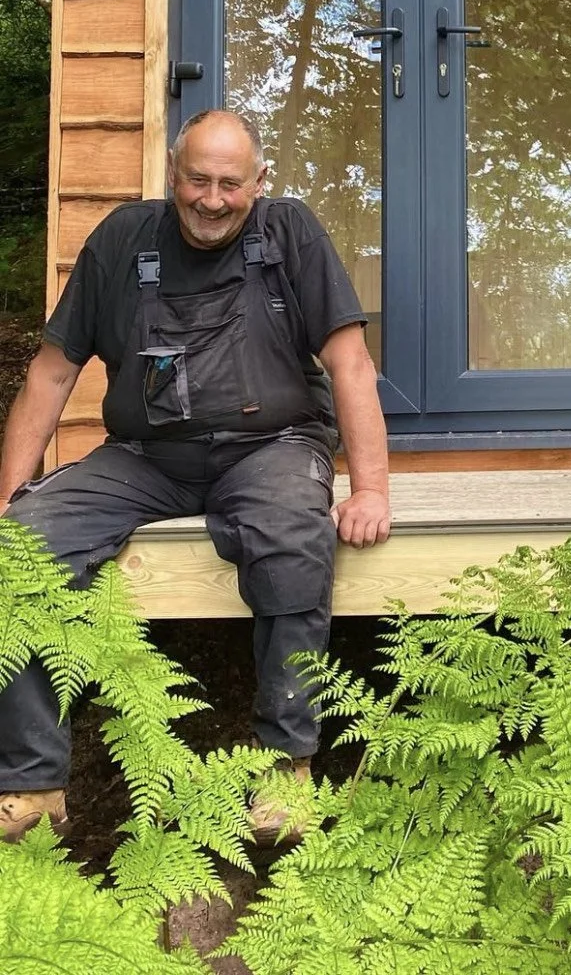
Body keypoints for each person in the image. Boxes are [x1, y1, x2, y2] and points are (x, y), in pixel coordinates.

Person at [0, 108, 392, 843]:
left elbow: (350, 364)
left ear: (258, 182)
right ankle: (33, 783)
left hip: (272, 446)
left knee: (290, 538)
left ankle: (286, 767)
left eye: (229, 184)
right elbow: (52, 374)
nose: (212, 200)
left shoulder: (291, 234)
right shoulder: (122, 240)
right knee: (19, 549)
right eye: (197, 181)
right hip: (145, 457)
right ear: (172, 174)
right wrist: (7, 498)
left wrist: (370, 489)